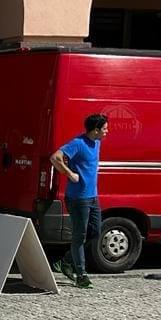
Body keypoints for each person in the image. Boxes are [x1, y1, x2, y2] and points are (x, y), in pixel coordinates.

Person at [50, 113, 108, 290]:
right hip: (78, 198)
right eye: (105, 129)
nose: (107, 132)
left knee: (95, 231)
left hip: (92, 197)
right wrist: (70, 174)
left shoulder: (96, 142)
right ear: (95, 130)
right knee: (79, 236)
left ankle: (65, 262)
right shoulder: (78, 143)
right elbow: (55, 157)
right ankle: (81, 275)